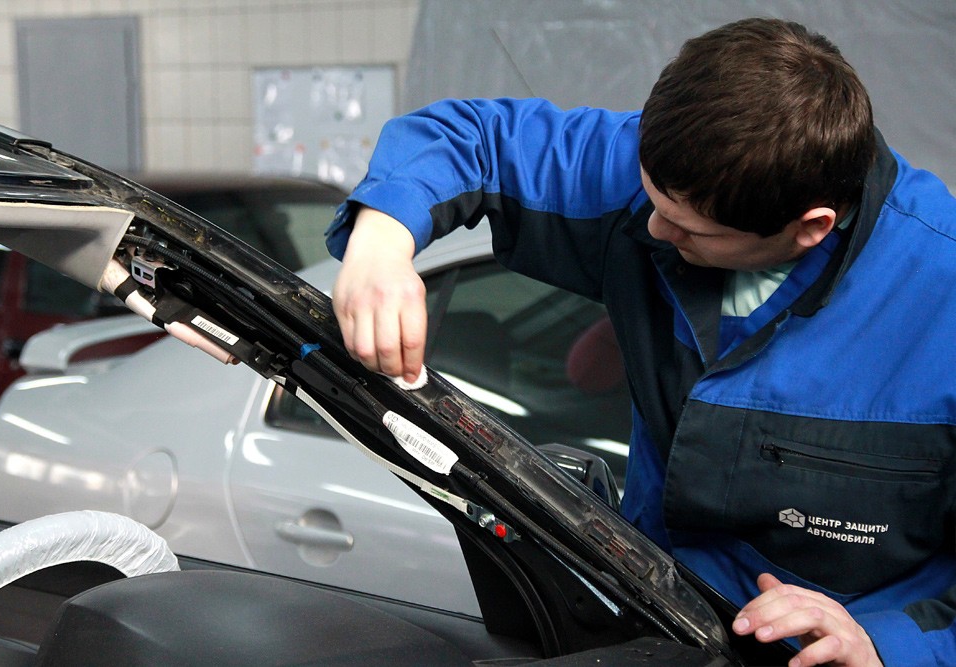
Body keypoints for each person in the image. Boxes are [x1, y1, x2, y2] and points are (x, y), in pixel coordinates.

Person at [325, 17, 956, 667]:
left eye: (688, 229)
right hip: (652, 627)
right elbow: (470, 137)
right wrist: (381, 245)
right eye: (652, 198)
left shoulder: (942, 300)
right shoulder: (661, 177)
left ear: (810, 227)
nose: (651, 228)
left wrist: (884, 645)